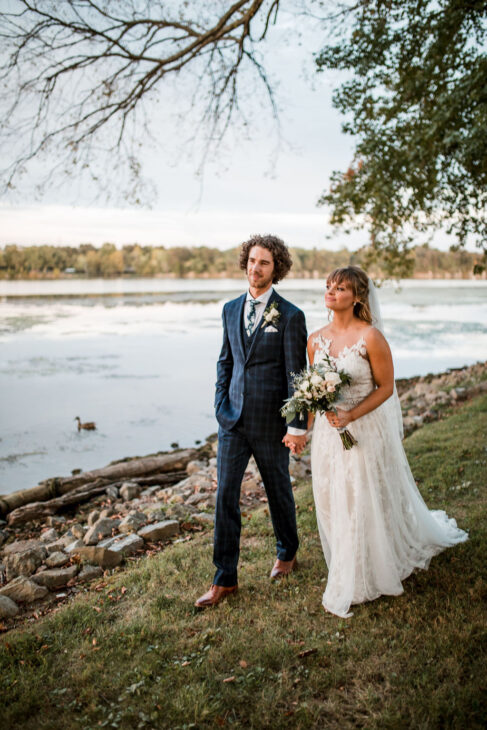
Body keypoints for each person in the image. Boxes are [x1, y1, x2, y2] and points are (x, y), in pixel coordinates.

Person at [308, 266, 468, 618]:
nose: (331, 291)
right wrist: (305, 428)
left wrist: (351, 415)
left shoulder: (371, 337)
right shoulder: (315, 338)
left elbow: (386, 388)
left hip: (365, 429)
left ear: (358, 297)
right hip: (329, 435)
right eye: (329, 286)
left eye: (341, 287)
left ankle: (369, 570)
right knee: (335, 497)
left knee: (365, 496)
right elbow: (314, 390)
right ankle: (347, 563)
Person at [195, 234, 308, 608]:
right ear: (245, 261)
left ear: (277, 269)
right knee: (225, 494)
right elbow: (225, 361)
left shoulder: (290, 315)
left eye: (264, 262)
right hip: (232, 421)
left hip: (271, 422)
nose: (255, 267)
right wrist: (219, 402)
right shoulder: (229, 309)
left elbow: (297, 375)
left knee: (278, 491)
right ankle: (224, 579)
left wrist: (296, 425)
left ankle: (287, 551)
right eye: (252, 260)